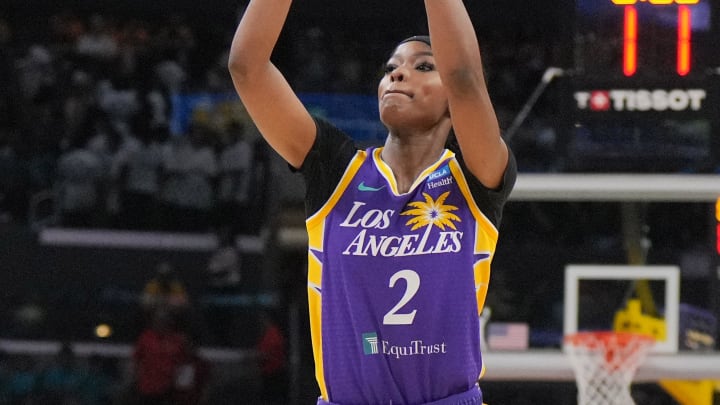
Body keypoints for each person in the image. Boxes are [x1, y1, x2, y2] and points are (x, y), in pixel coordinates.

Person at [228, 0, 517, 404]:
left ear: (451, 99)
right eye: (391, 67)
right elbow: (247, 68)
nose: (398, 72)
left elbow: (465, 77)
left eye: (424, 66)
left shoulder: (474, 179)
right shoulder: (335, 170)